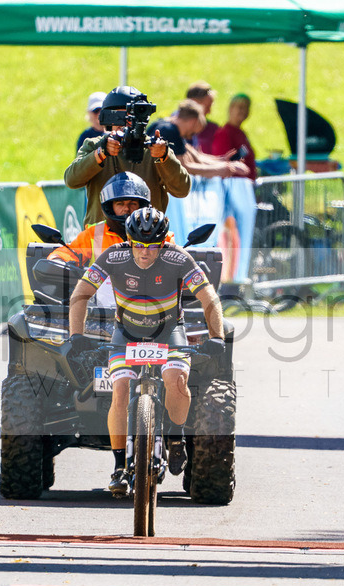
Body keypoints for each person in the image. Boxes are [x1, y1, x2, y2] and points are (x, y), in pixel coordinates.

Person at [68, 207, 225, 495]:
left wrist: (217, 336)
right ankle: (119, 467)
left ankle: (175, 439)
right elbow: (80, 294)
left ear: (163, 243)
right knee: (120, 389)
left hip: (169, 332)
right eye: (139, 246)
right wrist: (75, 335)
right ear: (129, 241)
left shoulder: (178, 257)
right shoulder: (113, 256)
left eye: (152, 247)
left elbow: (208, 297)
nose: (144, 253)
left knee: (176, 381)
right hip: (125, 334)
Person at [64, 86, 191, 227]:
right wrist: (101, 154)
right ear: (108, 119)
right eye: (119, 117)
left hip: (146, 239)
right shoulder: (94, 146)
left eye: (131, 118)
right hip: (102, 240)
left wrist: (164, 157)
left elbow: (182, 189)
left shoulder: (154, 149)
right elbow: (72, 180)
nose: (125, 124)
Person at [50, 172, 174, 308]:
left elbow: (178, 264)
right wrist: (57, 261)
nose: (126, 209)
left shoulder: (161, 234)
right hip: (100, 313)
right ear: (110, 206)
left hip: (152, 309)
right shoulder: (94, 233)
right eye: (120, 203)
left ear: (142, 206)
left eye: (133, 203)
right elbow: (68, 252)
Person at [210, 93, 258, 282]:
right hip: (234, 188)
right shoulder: (225, 132)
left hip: (244, 187)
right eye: (239, 107)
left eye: (245, 108)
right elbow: (222, 160)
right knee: (233, 233)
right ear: (230, 109)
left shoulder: (241, 133)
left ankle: (238, 275)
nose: (242, 112)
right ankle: (231, 278)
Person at [148, 100, 249, 179]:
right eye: (193, 133)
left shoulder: (164, 125)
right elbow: (184, 167)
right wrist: (220, 169)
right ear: (193, 122)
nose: (191, 137)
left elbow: (195, 155)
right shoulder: (170, 131)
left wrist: (221, 161)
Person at [185, 81, 219, 153]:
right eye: (207, 107)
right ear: (193, 103)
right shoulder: (178, 128)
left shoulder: (213, 129)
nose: (209, 112)